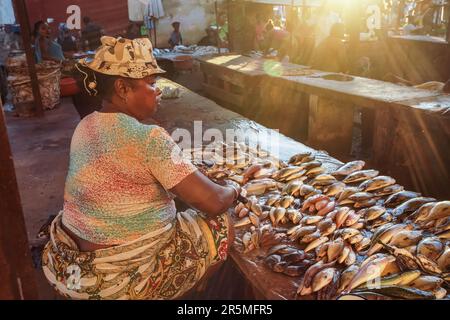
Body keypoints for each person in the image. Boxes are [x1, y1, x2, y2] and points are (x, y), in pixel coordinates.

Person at [41, 36, 244, 300]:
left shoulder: (85, 126)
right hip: (116, 281)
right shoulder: (148, 138)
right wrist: (233, 189)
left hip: (72, 269)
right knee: (221, 223)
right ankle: (182, 288)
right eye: (151, 83)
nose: (157, 91)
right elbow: (214, 202)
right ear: (123, 88)